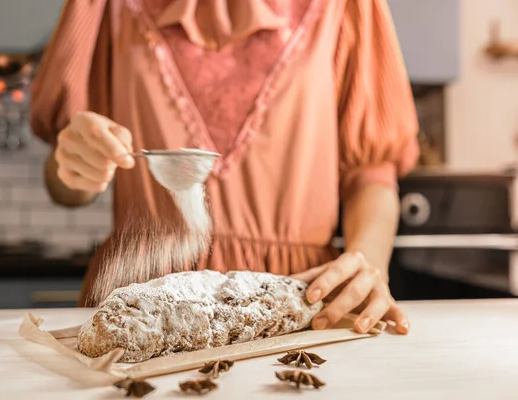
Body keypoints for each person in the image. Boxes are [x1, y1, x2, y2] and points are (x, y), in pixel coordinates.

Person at [30, 0, 419, 335]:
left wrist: (367, 263)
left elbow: (371, 173)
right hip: (142, 297)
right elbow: (64, 186)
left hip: (298, 300)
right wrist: (75, 167)